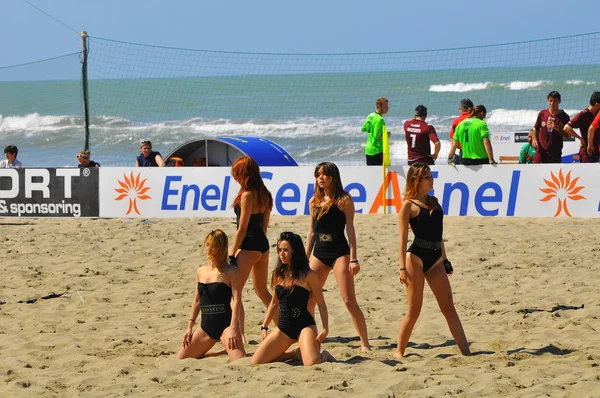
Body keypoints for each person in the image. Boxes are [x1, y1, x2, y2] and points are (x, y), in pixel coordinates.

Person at [395, 162, 470, 358]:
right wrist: (402, 268)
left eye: (431, 176)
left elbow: (439, 234)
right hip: (416, 258)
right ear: (416, 180)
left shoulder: (434, 202)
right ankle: (399, 352)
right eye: (427, 177)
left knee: (448, 308)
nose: (431, 179)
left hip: (436, 258)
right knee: (414, 310)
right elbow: (402, 239)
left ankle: (467, 352)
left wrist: (445, 259)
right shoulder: (408, 206)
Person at [305, 162, 371, 351]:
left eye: (324, 175)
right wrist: (304, 258)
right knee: (309, 300)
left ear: (333, 177)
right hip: (319, 251)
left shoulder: (344, 199)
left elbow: (350, 229)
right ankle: (311, 338)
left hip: (339, 251)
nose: (320, 178)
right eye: (318, 174)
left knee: (349, 300)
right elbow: (310, 233)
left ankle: (364, 342)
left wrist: (353, 258)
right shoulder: (314, 201)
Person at [251, 232, 335, 366]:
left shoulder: (308, 275)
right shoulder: (278, 274)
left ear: (294, 251)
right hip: (284, 327)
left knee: (312, 364)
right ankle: (294, 353)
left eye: (285, 250)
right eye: (279, 250)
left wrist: (325, 329)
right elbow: (274, 303)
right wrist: (264, 326)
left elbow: (321, 303)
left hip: (304, 325)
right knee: (256, 361)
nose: (281, 254)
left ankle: (324, 355)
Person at [176, 229, 245, 361]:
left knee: (240, 361)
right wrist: (189, 327)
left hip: (226, 326)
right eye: (207, 245)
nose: (209, 249)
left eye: (213, 246)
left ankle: (226, 345)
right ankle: (217, 353)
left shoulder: (231, 272)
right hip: (206, 328)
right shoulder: (201, 271)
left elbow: (236, 301)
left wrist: (233, 328)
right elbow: (197, 301)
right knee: (180, 359)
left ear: (221, 248)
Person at [229, 156, 273, 331]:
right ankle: (284, 327)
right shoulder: (265, 194)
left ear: (245, 173)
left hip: (248, 245)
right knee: (262, 291)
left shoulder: (247, 195)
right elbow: (264, 226)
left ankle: (240, 335)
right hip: (263, 245)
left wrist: (232, 253)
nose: (235, 176)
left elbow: (242, 228)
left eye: (237, 173)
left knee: (235, 293)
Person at [530, 91, 571, 164]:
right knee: (538, 175)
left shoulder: (564, 117)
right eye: (550, 101)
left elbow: (568, 136)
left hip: (555, 155)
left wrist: (557, 128)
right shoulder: (542, 113)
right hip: (541, 154)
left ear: (559, 101)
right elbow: (535, 128)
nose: (552, 103)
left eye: (555, 101)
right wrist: (534, 139)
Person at [563, 91, 600, 163]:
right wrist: (580, 138)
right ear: (597, 104)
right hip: (586, 151)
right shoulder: (583, 114)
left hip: (596, 149)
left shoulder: (597, 114)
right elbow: (566, 127)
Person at [362, 97, 390, 166]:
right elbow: (377, 136)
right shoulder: (380, 120)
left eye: (387, 106)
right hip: (377, 151)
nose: (387, 108)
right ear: (378, 106)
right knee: (379, 175)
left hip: (368, 149)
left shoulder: (370, 116)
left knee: (371, 174)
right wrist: (387, 134)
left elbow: (364, 128)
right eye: (385, 106)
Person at [448, 98, 474, 165]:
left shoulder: (456, 121)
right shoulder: (476, 120)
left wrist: (450, 157)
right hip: (477, 152)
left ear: (462, 108)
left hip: (463, 152)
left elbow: (453, 142)